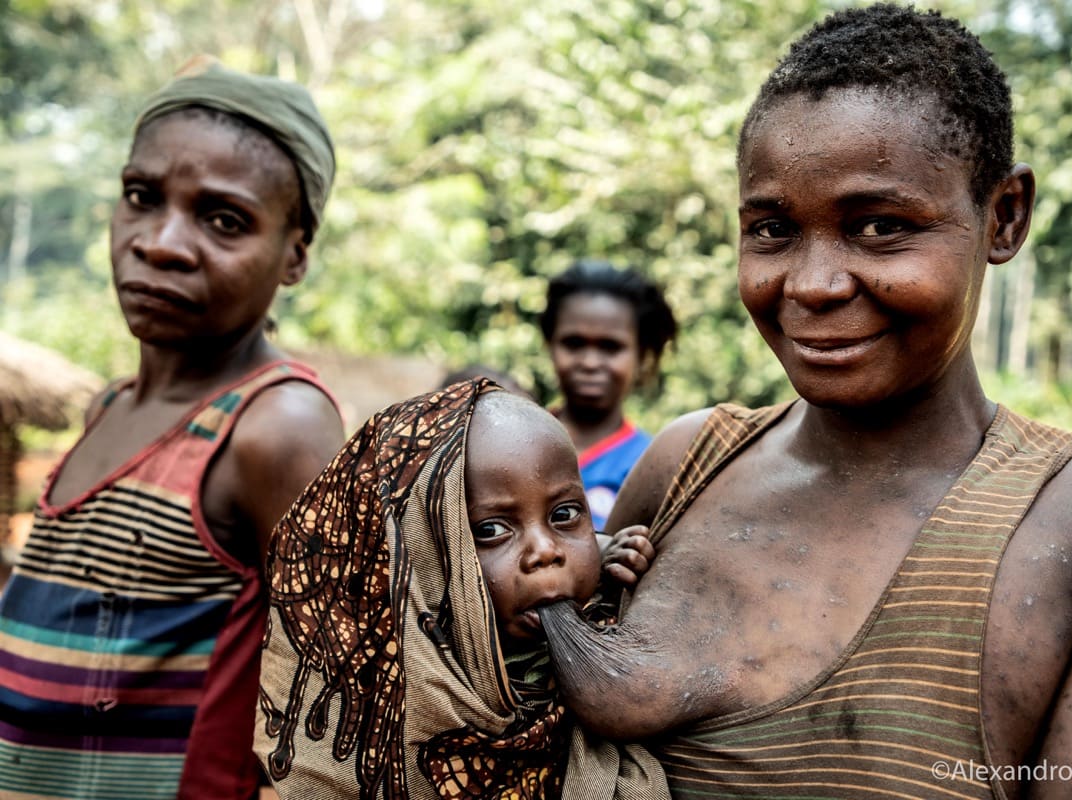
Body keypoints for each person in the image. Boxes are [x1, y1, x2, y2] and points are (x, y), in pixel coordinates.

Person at [538, 5, 1072, 799]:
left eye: (882, 227)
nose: (813, 285)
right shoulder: (688, 467)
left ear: (1005, 215)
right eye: (773, 229)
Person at [0, 58, 346, 799]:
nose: (160, 243)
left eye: (224, 219)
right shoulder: (109, 408)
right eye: (141, 196)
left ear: (294, 254)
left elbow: (341, 697)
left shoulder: (275, 426)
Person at [256, 379, 667, 800]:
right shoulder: (380, 706)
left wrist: (603, 551)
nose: (545, 551)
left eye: (564, 514)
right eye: (491, 530)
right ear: (426, 557)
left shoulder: (614, 620)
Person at [539, 260, 676, 530]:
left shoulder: (651, 466)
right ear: (549, 344)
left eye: (610, 347)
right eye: (573, 343)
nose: (590, 363)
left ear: (642, 355)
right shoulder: (511, 442)